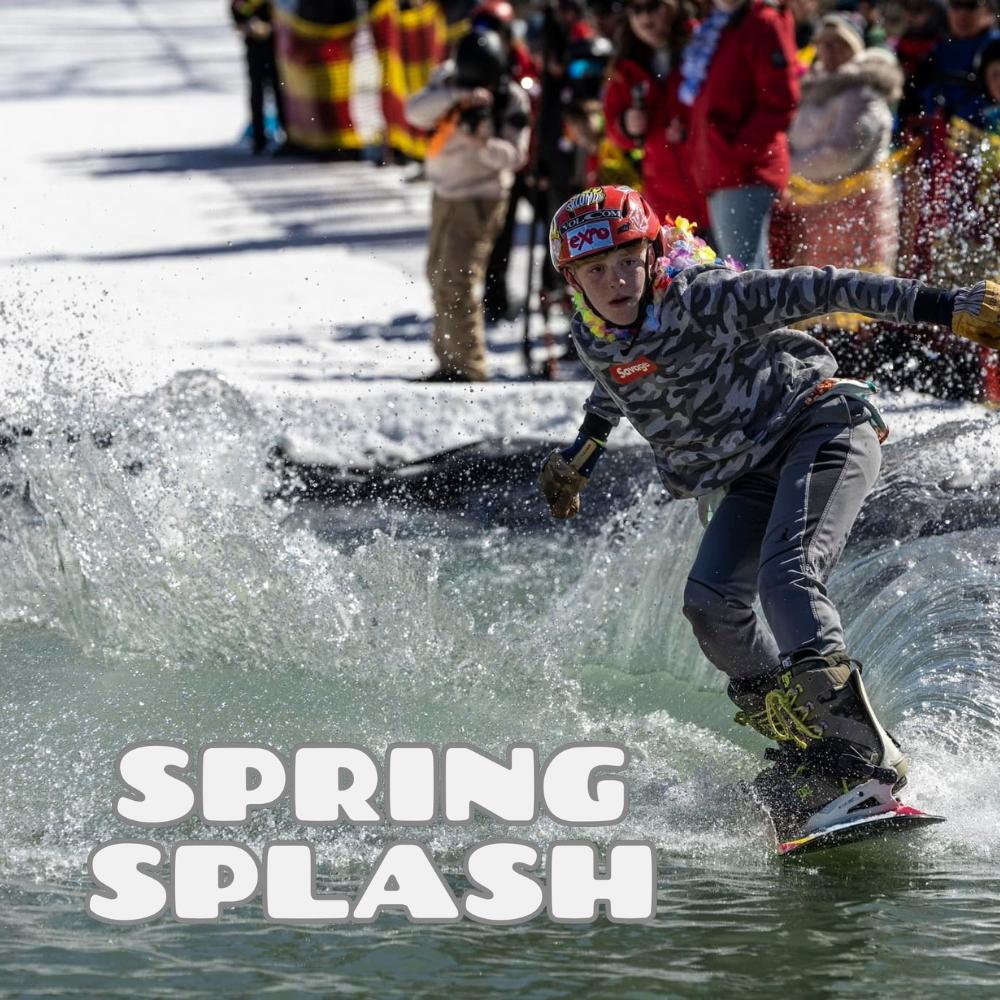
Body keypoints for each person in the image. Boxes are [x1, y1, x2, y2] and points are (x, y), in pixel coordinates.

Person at [537, 184, 1000, 839]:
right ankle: (818, 752)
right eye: (594, 271)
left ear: (651, 254)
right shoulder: (596, 329)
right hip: (750, 469)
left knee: (789, 574)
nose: (615, 281)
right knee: (710, 602)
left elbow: (829, 287)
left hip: (824, 425)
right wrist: (580, 456)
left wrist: (948, 306)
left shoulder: (703, 298)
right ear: (571, 281)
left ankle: (872, 767)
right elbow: (618, 378)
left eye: (626, 263)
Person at [405, 29, 531, 381]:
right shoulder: (448, 81)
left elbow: (515, 156)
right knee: (437, 275)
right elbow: (415, 111)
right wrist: (459, 96)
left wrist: (480, 142)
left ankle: (469, 366)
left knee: (457, 279)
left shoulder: (510, 99)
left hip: (480, 197)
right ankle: (448, 359)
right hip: (444, 192)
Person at [679, 0, 799, 269]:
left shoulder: (762, 21)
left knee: (747, 277)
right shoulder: (718, 22)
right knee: (742, 274)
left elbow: (782, 99)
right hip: (721, 170)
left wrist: (739, 151)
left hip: (744, 172)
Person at [782, 16, 904, 279]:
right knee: (819, 298)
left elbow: (843, 154)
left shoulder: (864, 92)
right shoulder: (813, 88)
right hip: (816, 211)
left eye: (839, 44)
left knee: (860, 294)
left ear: (856, 48)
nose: (829, 51)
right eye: (824, 44)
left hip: (858, 211)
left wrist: (785, 168)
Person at [603, 0, 706, 230]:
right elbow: (612, 127)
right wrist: (627, 124)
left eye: (652, 6)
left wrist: (693, 129)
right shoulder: (625, 66)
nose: (644, 17)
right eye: (636, 9)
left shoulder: (703, 44)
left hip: (714, 187)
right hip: (665, 200)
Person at [230, 0, 286, 154]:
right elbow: (237, 8)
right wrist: (246, 23)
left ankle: (288, 136)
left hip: (278, 46)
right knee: (257, 92)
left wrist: (271, 27)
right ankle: (258, 138)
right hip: (255, 46)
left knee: (281, 90)